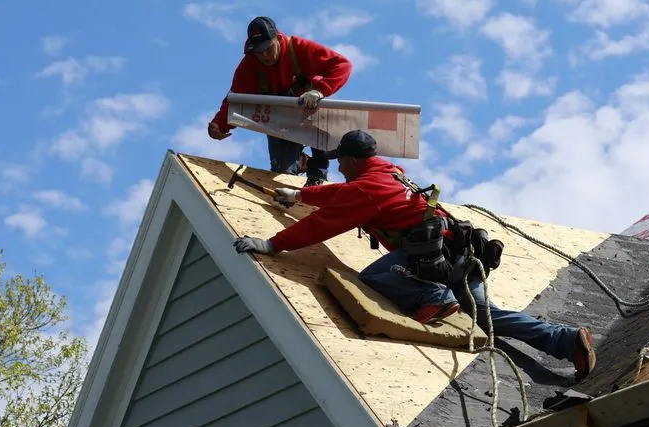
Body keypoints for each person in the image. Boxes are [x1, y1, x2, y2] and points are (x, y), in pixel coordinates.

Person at [232, 129, 597, 381]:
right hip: (458, 255)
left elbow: (322, 226)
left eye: (340, 161)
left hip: (434, 262)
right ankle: (563, 340)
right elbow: (340, 196)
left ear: (354, 161)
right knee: (484, 315)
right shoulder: (386, 175)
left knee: (373, 278)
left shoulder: (367, 188)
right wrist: (298, 197)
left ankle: (436, 299)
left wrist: (272, 245)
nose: (338, 166)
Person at [208, 16, 353, 186]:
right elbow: (235, 99)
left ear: (277, 39)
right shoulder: (249, 66)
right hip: (280, 121)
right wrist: (219, 125)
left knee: (322, 143)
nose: (264, 55)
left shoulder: (298, 49)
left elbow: (343, 65)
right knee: (282, 172)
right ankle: (298, 161)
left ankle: (316, 174)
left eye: (267, 49)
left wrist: (320, 91)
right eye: (258, 51)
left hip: (310, 113)